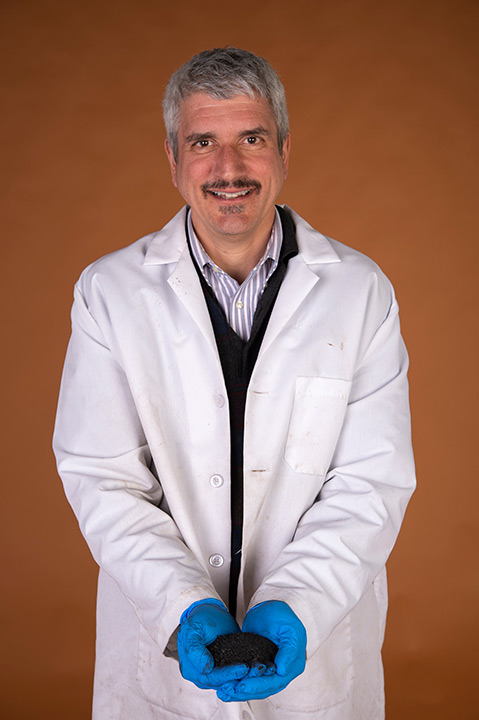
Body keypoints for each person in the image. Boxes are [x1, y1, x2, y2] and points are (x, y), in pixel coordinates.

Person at [53, 47, 415, 720]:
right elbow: (102, 476)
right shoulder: (109, 293)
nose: (228, 169)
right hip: (162, 666)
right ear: (172, 159)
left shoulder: (360, 291)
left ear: (281, 151)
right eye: (202, 143)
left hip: (321, 655)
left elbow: (372, 479)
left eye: (250, 140)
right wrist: (182, 603)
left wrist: (298, 603)